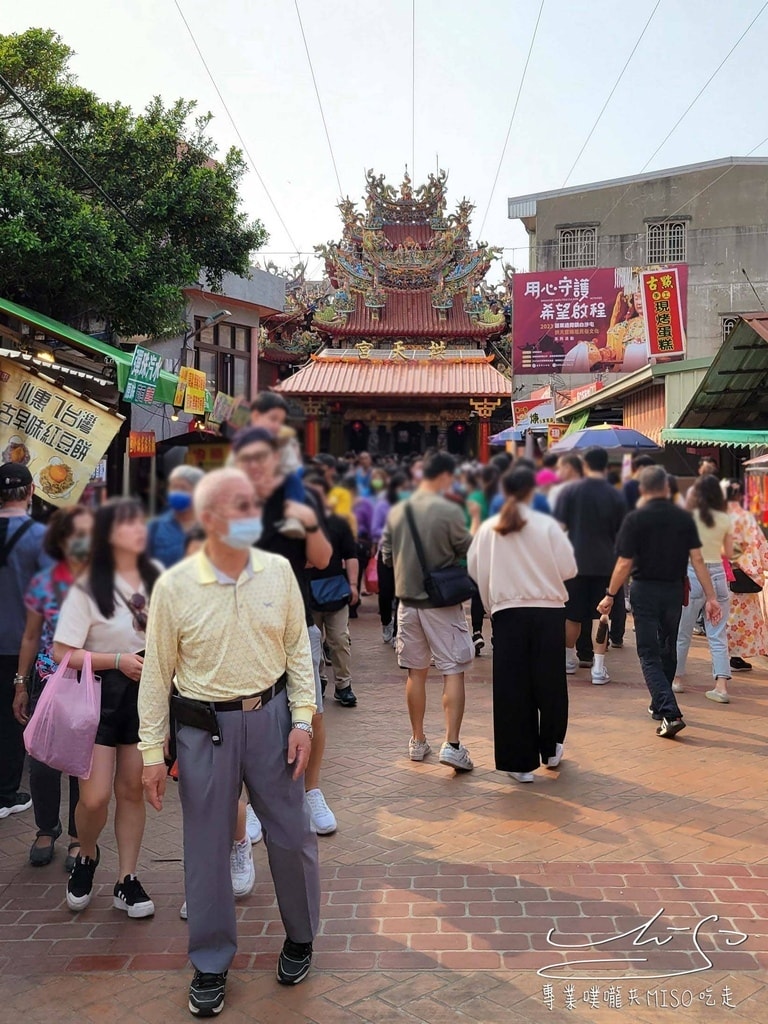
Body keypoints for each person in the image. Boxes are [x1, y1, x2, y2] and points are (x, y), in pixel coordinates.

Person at [139, 468, 320, 1015]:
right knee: (207, 848)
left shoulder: (279, 572)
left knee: (291, 834)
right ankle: (211, 963)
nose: (250, 516)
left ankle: (302, 936)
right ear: (209, 519)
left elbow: (297, 652)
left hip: (270, 719)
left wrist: (304, 719)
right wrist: (152, 753)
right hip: (202, 728)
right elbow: (157, 676)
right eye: (237, 507)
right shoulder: (174, 587)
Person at [53, 498, 159, 916]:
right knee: (94, 797)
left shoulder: (158, 581)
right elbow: (64, 651)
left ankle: (126, 879)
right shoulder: (87, 586)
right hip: (98, 694)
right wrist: (116, 661)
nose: (138, 531)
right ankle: (87, 854)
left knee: (132, 790)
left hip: (144, 692)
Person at [232, 429, 336, 836]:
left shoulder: (300, 501)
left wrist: (309, 523)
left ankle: (311, 790)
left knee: (309, 710)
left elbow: (323, 558)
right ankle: (252, 801)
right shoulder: (231, 504)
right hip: (241, 627)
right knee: (247, 716)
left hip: (295, 623)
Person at [468, 467, 577, 783]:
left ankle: (518, 762)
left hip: (507, 612)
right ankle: (552, 746)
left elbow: (477, 570)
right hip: (548, 611)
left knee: (512, 687)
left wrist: (491, 605)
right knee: (551, 682)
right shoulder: (548, 526)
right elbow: (569, 568)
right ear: (532, 491)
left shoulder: (490, 528)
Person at [598, 466, 722, 739]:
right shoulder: (683, 518)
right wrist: (711, 597)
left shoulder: (635, 519)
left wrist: (610, 594)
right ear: (667, 489)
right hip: (673, 591)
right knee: (667, 647)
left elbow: (624, 562)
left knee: (648, 654)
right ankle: (659, 703)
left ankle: (670, 712)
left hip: (644, 591)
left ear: (642, 490)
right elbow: (698, 560)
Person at [381, 452, 475, 771]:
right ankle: (452, 744)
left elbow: (385, 556)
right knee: (452, 668)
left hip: (408, 603)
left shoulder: (398, 510)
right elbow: (467, 550)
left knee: (415, 672)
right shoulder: (449, 510)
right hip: (442, 603)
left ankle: (418, 740)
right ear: (445, 476)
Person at [13, 505, 93, 867]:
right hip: (49, 681)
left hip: (93, 680)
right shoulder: (45, 582)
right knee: (43, 759)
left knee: (81, 761)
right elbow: (31, 636)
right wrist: (20, 683)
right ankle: (46, 828)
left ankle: (79, 835)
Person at [0, 463, 51, 820]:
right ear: (32, 491)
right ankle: (6, 793)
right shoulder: (41, 537)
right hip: (22, 644)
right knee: (14, 714)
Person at [554, 447, 625, 685]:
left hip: (573, 562)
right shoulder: (615, 495)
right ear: (605, 467)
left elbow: (559, 527)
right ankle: (598, 668)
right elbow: (620, 533)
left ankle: (566, 660)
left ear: (585, 466)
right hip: (606, 564)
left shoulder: (570, 491)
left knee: (572, 615)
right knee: (601, 616)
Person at [674, 475, 733, 703]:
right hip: (718, 575)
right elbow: (728, 551)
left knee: (683, 631)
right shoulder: (724, 519)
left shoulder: (689, 518)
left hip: (693, 574)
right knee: (718, 633)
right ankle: (721, 686)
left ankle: (677, 679)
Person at [725, 480, 768, 671]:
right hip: (745, 575)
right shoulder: (745, 518)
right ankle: (736, 656)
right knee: (744, 619)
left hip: (722, 573)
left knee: (726, 617)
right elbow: (759, 544)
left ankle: (725, 656)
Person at [372, 471, 410, 645]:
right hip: (386, 554)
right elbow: (375, 530)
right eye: (402, 488)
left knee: (401, 593)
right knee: (386, 592)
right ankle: (386, 622)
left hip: (405, 554)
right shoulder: (383, 505)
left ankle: (397, 632)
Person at [147, 465, 205, 568]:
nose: (177, 492)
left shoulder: (210, 526)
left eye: (183, 488)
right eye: (173, 487)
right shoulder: (156, 527)